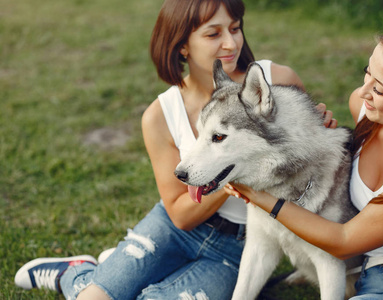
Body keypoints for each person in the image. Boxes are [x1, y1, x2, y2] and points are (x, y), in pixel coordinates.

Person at [14, 0, 335, 299]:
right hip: (174, 230)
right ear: (182, 45)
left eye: (235, 28)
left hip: (240, 243)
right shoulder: (160, 114)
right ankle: (77, 274)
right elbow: (180, 215)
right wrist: (232, 172)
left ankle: (121, 266)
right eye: (213, 33)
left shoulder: (275, 79)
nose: (231, 43)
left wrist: (317, 127)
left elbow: (304, 157)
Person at [225, 25, 383, 299]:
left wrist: (258, 196)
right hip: (375, 279)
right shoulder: (363, 109)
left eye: (378, 90)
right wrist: (315, 131)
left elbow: (343, 242)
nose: (363, 91)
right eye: (367, 73)